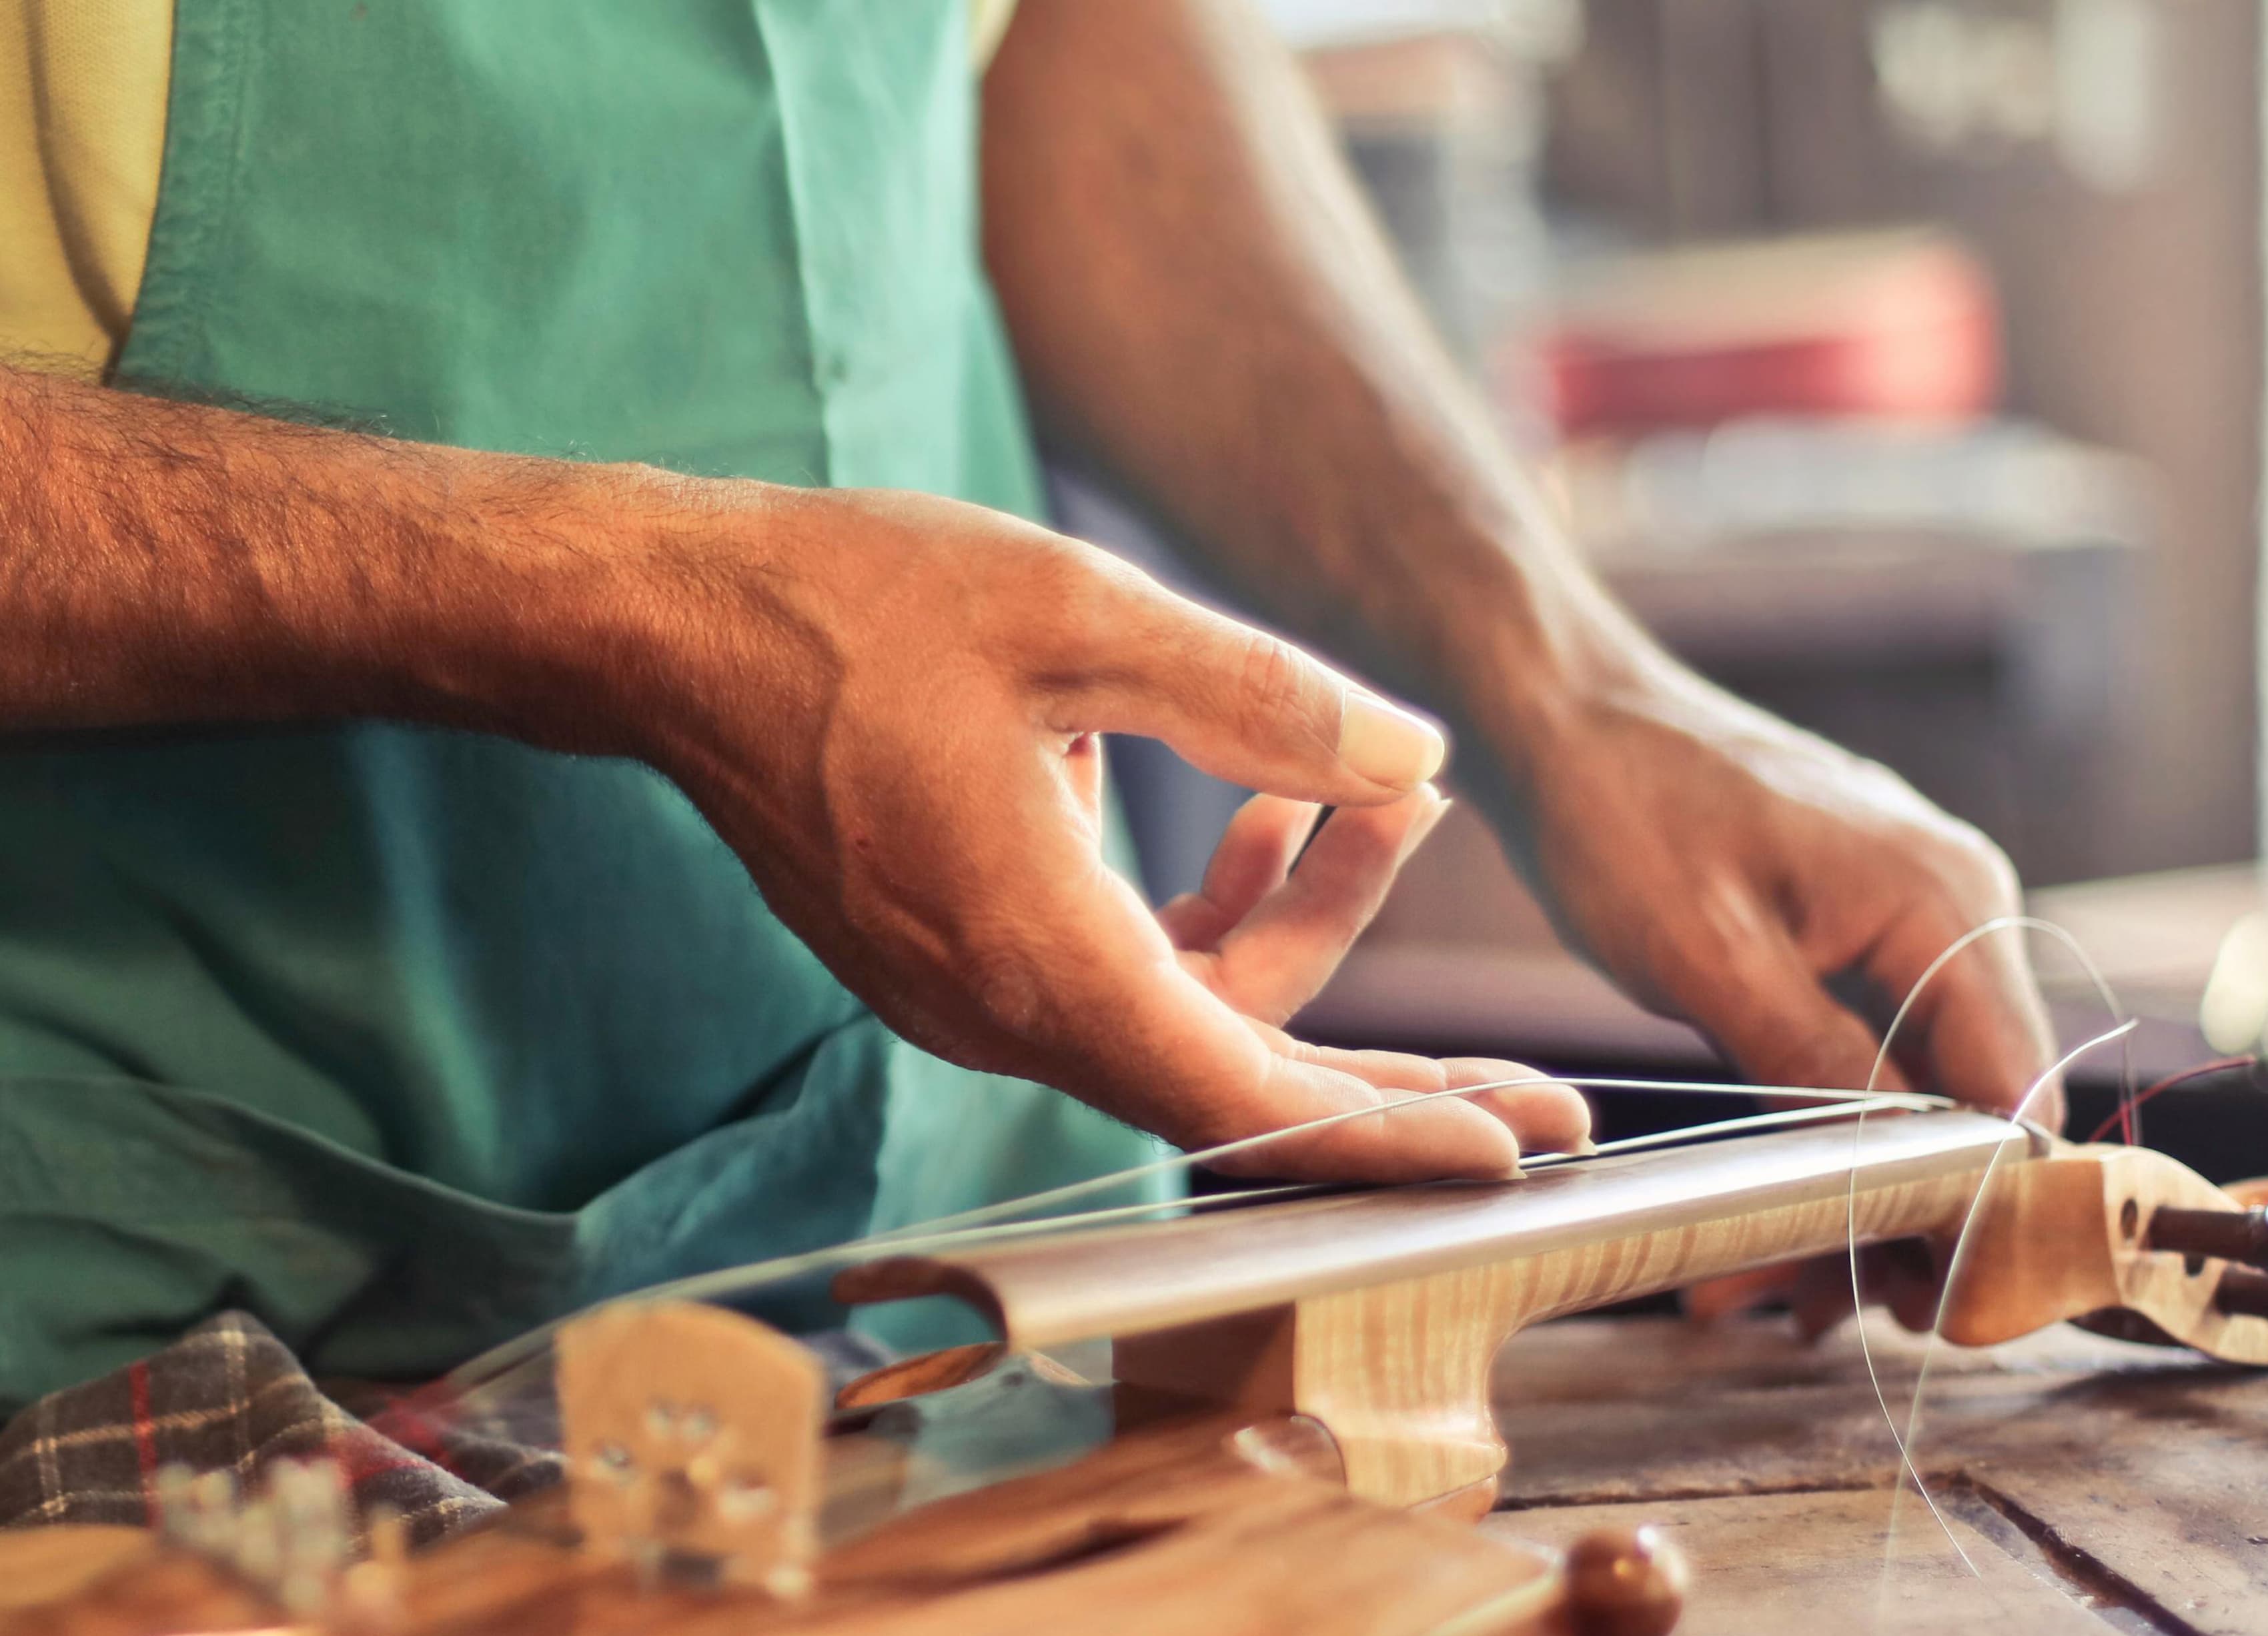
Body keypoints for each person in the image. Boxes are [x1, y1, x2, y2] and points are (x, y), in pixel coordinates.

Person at [0, 0, 2053, 1414]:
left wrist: (1566, 680)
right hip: (155, 1307)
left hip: (976, 1261)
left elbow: (1057, 40)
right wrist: (665, 616)